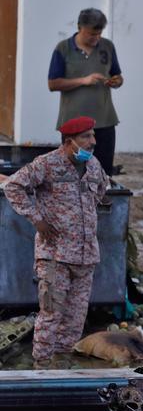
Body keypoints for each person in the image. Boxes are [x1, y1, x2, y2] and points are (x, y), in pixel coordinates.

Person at [4, 116, 108, 366]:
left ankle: (62, 365)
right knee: (50, 315)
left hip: (85, 257)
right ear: (69, 141)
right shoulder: (47, 164)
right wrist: (36, 218)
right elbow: (13, 187)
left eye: (93, 136)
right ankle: (41, 368)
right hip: (54, 257)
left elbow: (102, 189)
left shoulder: (93, 164)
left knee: (75, 319)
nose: (93, 142)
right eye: (86, 137)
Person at [47, 8, 123, 177]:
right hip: (73, 124)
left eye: (99, 34)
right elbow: (52, 84)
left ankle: (101, 202)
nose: (96, 38)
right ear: (79, 27)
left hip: (104, 121)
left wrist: (117, 81)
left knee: (103, 173)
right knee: (74, 172)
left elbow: (117, 74)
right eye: (91, 34)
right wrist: (83, 80)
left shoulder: (108, 46)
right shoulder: (63, 49)